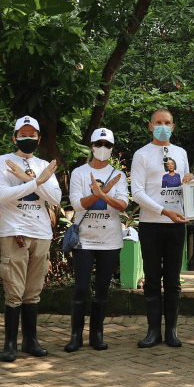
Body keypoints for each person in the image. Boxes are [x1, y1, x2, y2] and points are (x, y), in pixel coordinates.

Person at [0, 115, 61, 361]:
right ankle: (9, 343)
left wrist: (30, 179)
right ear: (14, 137)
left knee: (33, 291)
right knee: (14, 290)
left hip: (41, 233)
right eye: (23, 134)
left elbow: (55, 198)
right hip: (15, 233)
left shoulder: (44, 164)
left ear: (39, 138)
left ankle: (30, 340)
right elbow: (3, 195)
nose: (28, 138)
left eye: (32, 135)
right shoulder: (4, 161)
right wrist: (37, 182)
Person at [131, 108, 194, 348]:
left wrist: (191, 182)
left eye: (167, 122)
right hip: (151, 225)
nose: (163, 126)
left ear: (173, 127)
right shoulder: (142, 155)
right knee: (152, 278)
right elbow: (136, 192)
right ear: (150, 126)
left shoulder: (181, 153)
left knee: (173, 279)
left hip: (176, 225)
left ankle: (172, 331)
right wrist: (163, 211)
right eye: (158, 122)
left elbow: (185, 188)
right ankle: (152, 331)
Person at [65, 127, 128, 352]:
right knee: (81, 287)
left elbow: (123, 205)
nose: (103, 149)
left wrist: (102, 194)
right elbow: (77, 204)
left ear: (112, 149)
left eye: (107, 145)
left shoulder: (117, 175)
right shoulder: (79, 173)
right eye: (99, 144)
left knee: (102, 288)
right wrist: (102, 193)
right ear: (91, 146)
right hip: (84, 240)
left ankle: (96, 335)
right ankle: (75, 336)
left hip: (110, 239)